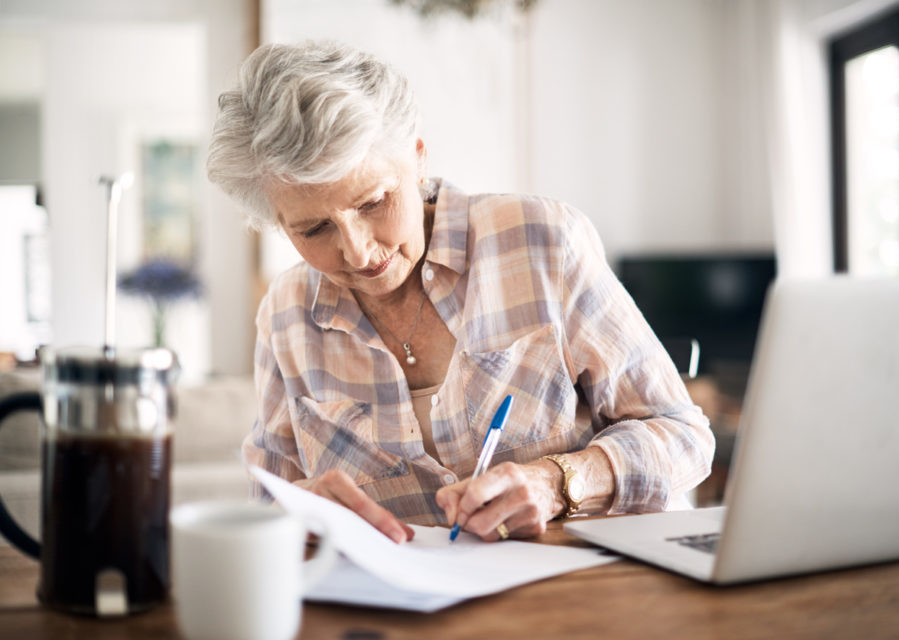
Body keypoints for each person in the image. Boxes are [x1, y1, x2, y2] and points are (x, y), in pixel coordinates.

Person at [207, 40, 715, 544]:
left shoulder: (543, 241)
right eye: (314, 230)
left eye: (374, 203)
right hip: (402, 614)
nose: (359, 253)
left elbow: (684, 437)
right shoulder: (286, 315)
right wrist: (301, 516)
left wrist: (560, 482)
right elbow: (268, 507)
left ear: (418, 159)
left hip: (578, 599)